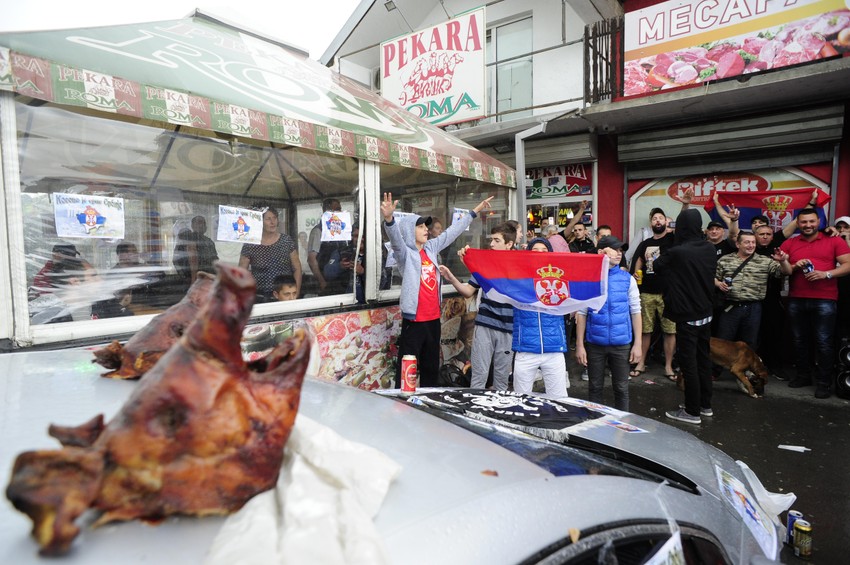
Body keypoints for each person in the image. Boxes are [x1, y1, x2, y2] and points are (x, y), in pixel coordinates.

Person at [381, 192, 493, 388]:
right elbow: (396, 240)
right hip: (414, 321)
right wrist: (389, 219)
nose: (426, 230)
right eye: (421, 226)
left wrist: (474, 211)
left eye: (426, 226)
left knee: (431, 366)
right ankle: (402, 403)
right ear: (409, 231)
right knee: (408, 366)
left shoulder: (431, 248)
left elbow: (451, 232)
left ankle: (429, 404)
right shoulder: (405, 254)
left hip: (433, 320)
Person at [776, 208, 850, 398]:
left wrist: (826, 274)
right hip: (797, 298)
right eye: (803, 222)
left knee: (824, 342)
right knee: (799, 341)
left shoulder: (834, 240)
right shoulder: (790, 242)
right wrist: (792, 264)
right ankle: (803, 376)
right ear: (798, 224)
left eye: (811, 222)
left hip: (825, 299)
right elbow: (785, 272)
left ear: (818, 222)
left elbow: (848, 265)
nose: (808, 225)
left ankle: (824, 382)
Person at [656, 209, 717, 425]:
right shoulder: (709, 248)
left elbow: (657, 265)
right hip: (706, 313)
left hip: (687, 315)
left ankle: (692, 412)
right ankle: (704, 405)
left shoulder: (678, 252)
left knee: (689, 364)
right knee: (703, 360)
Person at [439, 223, 516, 391]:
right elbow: (468, 291)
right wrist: (451, 277)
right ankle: (475, 412)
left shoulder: (520, 267)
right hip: (484, 326)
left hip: (509, 328)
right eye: (491, 240)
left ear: (509, 244)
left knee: (502, 379)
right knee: (479, 376)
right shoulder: (485, 265)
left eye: (497, 240)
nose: (492, 244)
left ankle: (497, 414)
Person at [575, 235, 642, 411]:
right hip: (595, 344)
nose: (619, 254)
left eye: (621, 250)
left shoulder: (628, 279)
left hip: (621, 344)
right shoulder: (590, 278)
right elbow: (581, 313)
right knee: (595, 388)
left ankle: (624, 429)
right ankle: (595, 427)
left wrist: (638, 344)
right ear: (601, 252)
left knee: (621, 389)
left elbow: (636, 311)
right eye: (615, 249)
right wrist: (580, 345)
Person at [510, 237, 569, 399]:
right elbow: (493, 268)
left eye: (544, 250)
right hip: (525, 350)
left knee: (560, 400)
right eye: (535, 251)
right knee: (520, 401)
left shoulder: (561, 277)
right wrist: (468, 258)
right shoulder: (517, 279)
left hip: (554, 349)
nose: (540, 254)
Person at [629, 207, 676, 380]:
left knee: (670, 331)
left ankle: (669, 366)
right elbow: (640, 258)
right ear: (651, 223)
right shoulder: (645, 243)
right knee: (645, 331)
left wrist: (685, 206)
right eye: (654, 218)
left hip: (667, 293)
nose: (657, 221)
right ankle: (641, 363)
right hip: (647, 292)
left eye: (660, 218)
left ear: (666, 222)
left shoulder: (672, 239)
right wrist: (636, 272)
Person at [714, 231, 781, 348]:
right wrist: (719, 283)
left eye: (753, 242)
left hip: (753, 308)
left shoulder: (765, 261)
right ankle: (720, 367)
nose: (751, 245)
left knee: (750, 342)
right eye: (747, 242)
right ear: (738, 244)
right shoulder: (725, 259)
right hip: (730, 307)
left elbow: (784, 272)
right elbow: (712, 277)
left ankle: (746, 367)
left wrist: (783, 261)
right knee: (723, 342)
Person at [239, 206, 302, 302]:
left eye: (274, 218)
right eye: (268, 219)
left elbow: (297, 268)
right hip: (261, 297)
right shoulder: (251, 244)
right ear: (260, 221)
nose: (272, 222)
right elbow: (241, 272)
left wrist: (295, 291)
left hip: (285, 296)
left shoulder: (286, 241)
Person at [307, 198, 343, 294]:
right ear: (327, 212)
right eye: (337, 209)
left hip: (342, 279)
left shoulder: (342, 230)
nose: (340, 212)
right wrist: (322, 281)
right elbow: (311, 259)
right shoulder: (318, 231)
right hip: (327, 281)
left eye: (340, 209)